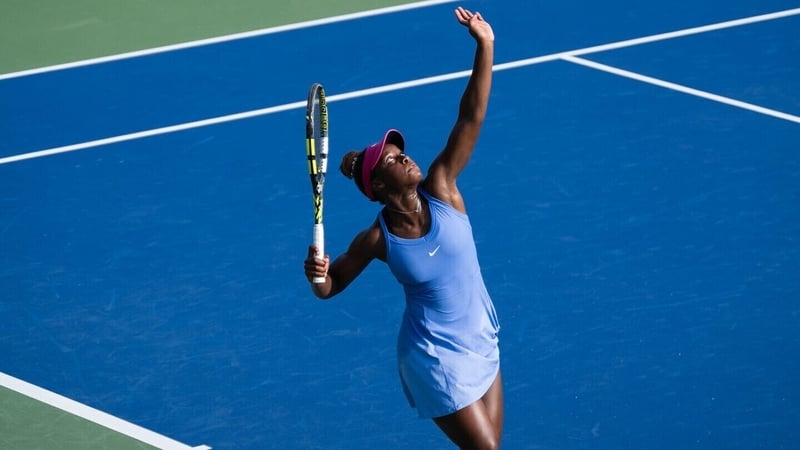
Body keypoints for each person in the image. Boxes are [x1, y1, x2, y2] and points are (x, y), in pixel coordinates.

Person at [303, 7, 502, 449]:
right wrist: (318, 276)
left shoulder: (444, 187)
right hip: (432, 356)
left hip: (480, 336)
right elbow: (330, 286)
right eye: (393, 160)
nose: (406, 157)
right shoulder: (377, 239)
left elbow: (470, 118)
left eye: (402, 151)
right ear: (376, 185)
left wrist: (484, 46)